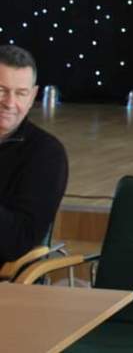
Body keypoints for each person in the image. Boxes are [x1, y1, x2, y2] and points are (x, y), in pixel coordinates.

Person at [0, 45, 69, 264]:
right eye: (1, 90)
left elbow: (18, 242)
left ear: (32, 96)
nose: (9, 103)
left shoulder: (46, 154)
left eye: (20, 93)